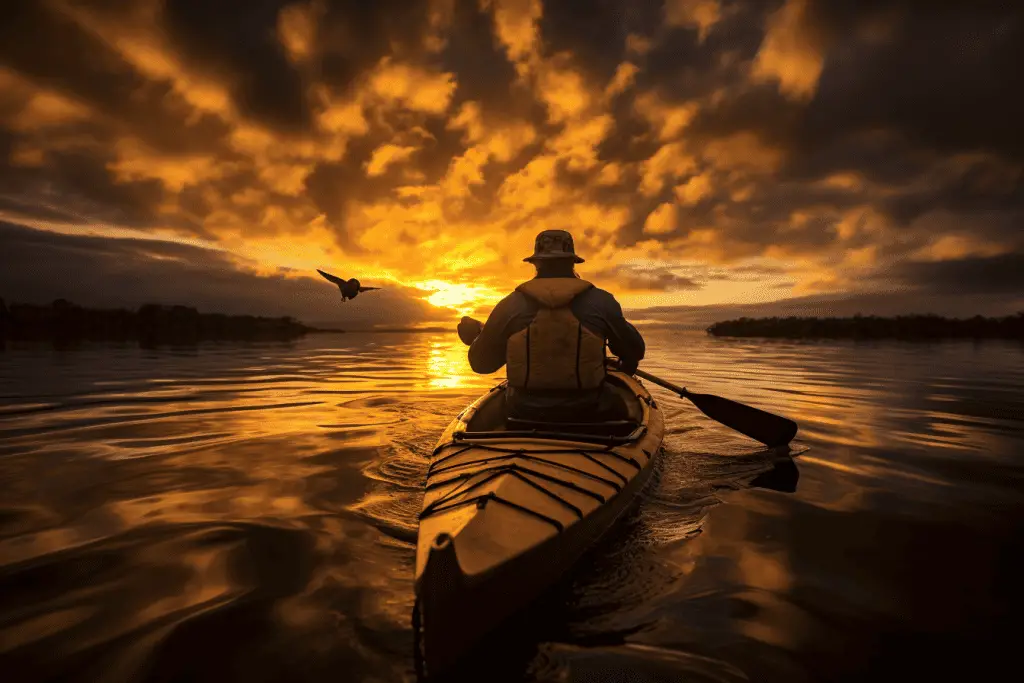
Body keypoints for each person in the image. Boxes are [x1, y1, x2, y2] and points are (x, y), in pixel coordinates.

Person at [457, 229, 645, 421]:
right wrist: (624, 366)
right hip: (591, 410)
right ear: (572, 261)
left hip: (522, 411)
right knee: (623, 406)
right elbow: (635, 351)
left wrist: (480, 338)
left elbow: (481, 364)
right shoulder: (602, 302)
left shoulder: (509, 305)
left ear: (536, 263)